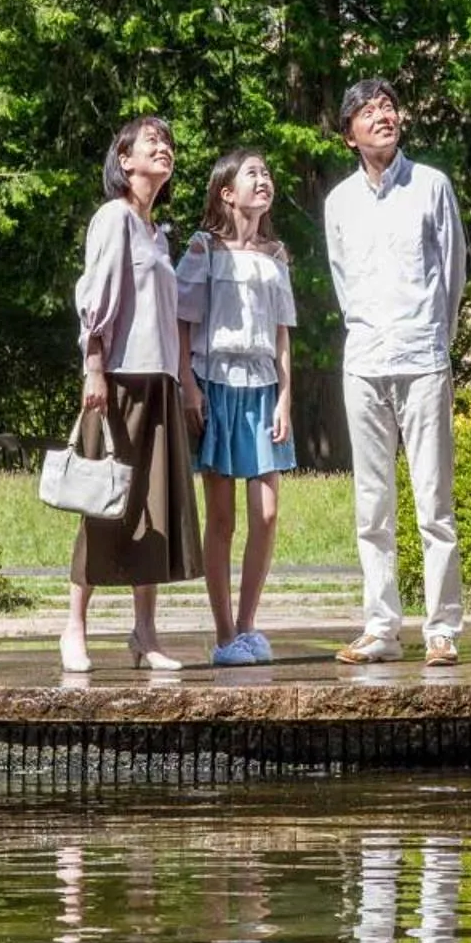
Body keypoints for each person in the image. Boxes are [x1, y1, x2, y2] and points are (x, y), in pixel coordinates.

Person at [323, 79, 467, 666]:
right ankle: (381, 627)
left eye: (388, 107)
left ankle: (441, 630)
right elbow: (342, 281)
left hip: (423, 359)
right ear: (349, 134)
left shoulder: (431, 185)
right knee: (371, 505)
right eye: (367, 111)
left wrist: (435, 338)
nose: (382, 116)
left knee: (434, 503)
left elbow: (452, 272)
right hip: (364, 363)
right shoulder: (339, 202)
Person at [63, 113, 202, 674]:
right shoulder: (114, 218)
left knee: (153, 511)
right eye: (152, 142)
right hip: (118, 379)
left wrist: (183, 381)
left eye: (168, 141)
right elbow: (94, 298)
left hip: (159, 381)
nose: (164, 148)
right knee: (105, 505)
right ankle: (74, 627)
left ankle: (145, 633)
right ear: (125, 161)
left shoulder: (157, 232)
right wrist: (94, 368)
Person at [175, 148, 300, 667]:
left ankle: (249, 624)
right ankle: (225, 634)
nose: (263, 179)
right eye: (252, 173)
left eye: (267, 172)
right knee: (222, 517)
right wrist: (189, 384)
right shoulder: (204, 248)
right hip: (216, 382)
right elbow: (182, 321)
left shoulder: (276, 254)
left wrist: (285, 397)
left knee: (266, 513)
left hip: (263, 386)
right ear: (227, 192)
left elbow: (282, 332)